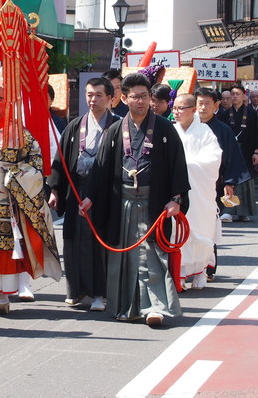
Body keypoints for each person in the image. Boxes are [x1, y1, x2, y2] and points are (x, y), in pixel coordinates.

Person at [80, 72, 190, 327]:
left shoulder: (164, 128)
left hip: (154, 201)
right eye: (135, 97)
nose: (141, 101)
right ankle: (128, 306)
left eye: (144, 96)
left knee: (150, 254)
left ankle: (155, 307)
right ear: (124, 99)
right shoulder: (117, 129)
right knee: (125, 256)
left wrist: (176, 199)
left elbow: (177, 166)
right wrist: (90, 198)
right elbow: (101, 168)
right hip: (124, 201)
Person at [0, 85, 62, 314]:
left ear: (8, 103)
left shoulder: (19, 132)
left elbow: (36, 160)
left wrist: (17, 176)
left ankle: (3, 296)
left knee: (6, 247)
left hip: (8, 198)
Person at [48, 77, 119, 310]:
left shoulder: (118, 127)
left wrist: (95, 195)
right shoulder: (75, 126)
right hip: (76, 190)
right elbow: (60, 160)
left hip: (105, 193)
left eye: (99, 95)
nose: (93, 99)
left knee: (98, 244)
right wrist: (55, 189)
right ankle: (76, 290)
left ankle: (100, 293)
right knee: (74, 241)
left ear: (110, 98)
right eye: (89, 94)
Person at [194, 87, 250, 281]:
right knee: (190, 225)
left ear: (216, 105)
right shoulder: (186, 127)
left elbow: (232, 158)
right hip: (191, 184)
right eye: (199, 103)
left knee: (209, 225)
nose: (202, 107)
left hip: (213, 185)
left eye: (207, 103)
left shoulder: (223, 130)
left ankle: (209, 267)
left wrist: (229, 182)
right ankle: (189, 267)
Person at [171, 94, 222, 289]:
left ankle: (200, 271)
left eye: (181, 108)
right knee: (178, 233)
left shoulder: (205, 132)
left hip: (200, 193)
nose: (176, 112)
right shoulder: (171, 131)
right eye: (174, 108)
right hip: (178, 192)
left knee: (200, 230)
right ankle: (181, 273)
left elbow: (213, 159)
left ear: (193, 110)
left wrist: (185, 166)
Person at [217, 85, 258, 222]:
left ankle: (244, 212)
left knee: (245, 182)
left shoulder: (251, 113)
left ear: (244, 96)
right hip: (230, 151)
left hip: (246, 150)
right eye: (232, 94)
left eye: (238, 94)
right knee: (230, 179)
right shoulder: (225, 114)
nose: (235, 96)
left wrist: (256, 151)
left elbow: (257, 133)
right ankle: (228, 211)